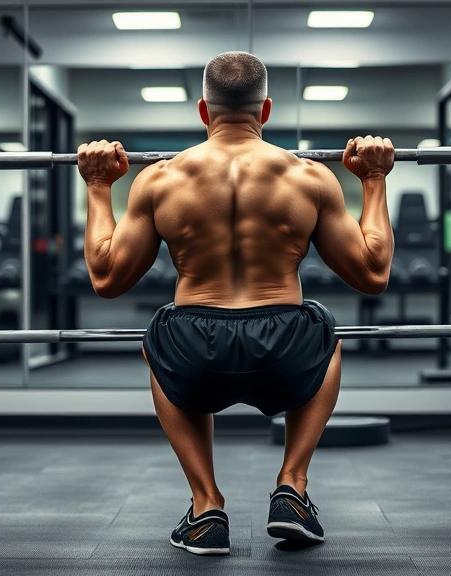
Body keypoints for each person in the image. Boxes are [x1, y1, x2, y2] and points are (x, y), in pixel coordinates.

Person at [76, 51, 395, 555]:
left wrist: (97, 187)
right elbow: (373, 273)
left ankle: (206, 508)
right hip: (286, 350)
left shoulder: (159, 179)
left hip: (193, 352)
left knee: (159, 332)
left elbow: (107, 278)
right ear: (265, 111)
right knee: (324, 329)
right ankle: (292, 485)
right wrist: (374, 179)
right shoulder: (310, 178)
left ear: (203, 112)